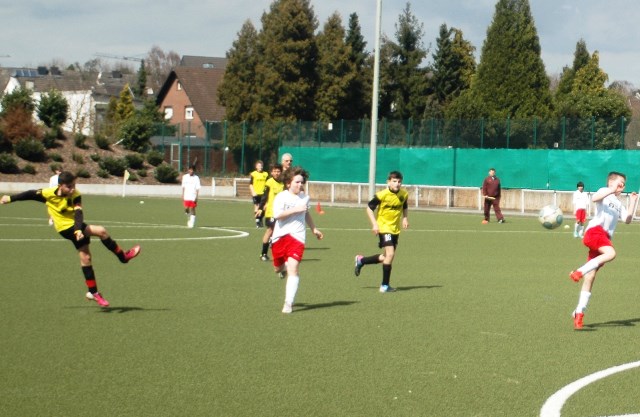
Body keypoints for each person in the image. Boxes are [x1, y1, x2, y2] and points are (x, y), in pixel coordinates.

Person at [0, 171, 141, 307]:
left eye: (74, 185)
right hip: (65, 228)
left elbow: (79, 213)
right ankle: (123, 257)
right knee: (101, 231)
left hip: (75, 226)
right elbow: (30, 194)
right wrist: (10, 198)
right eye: (69, 186)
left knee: (86, 258)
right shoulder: (48, 194)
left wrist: (78, 229)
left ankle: (93, 292)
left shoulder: (75, 195)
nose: (72, 189)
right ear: (60, 186)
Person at [568, 171, 638, 330]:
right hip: (595, 232)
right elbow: (595, 198)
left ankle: (579, 312)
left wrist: (633, 202)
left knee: (590, 277)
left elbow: (627, 220)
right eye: (620, 183)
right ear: (611, 183)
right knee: (611, 253)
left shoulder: (619, 203)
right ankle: (578, 272)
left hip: (604, 239)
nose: (622, 187)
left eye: (623, 185)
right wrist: (611, 189)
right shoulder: (604, 192)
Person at [271, 166, 323, 313]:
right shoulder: (281, 197)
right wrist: (295, 209)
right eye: (297, 182)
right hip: (280, 237)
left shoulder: (305, 198)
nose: (300, 185)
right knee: (277, 268)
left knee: (294, 268)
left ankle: (288, 302)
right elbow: (277, 215)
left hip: (297, 237)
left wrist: (314, 229)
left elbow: (306, 213)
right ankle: (283, 269)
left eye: (302, 182)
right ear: (288, 183)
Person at [354, 171, 409, 293]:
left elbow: (405, 206)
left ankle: (361, 260)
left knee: (385, 257)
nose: (397, 184)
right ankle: (384, 286)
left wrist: (405, 218)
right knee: (390, 254)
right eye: (394, 181)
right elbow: (369, 209)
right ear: (388, 182)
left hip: (395, 229)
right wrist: (374, 224)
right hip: (384, 228)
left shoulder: (404, 194)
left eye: (399, 181)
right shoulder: (381, 195)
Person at [256, 164, 284, 261]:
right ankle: (263, 253)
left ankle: (279, 251)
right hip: (271, 212)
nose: (276, 173)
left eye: (278, 171)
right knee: (270, 230)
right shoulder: (269, 182)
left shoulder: (283, 183)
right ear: (271, 172)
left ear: (281, 172)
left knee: (281, 231)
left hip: (281, 213)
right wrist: (260, 208)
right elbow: (264, 196)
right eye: (274, 171)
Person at [249, 160, 269, 228]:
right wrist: (253, 192)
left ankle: (260, 218)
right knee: (256, 207)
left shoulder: (266, 174)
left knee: (264, 208)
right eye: (259, 166)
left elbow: (268, 184)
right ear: (256, 167)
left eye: (261, 166)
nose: (260, 167)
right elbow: (251, 184)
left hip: (263, 194)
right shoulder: (253, 174)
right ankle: (257, 222)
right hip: (256, 194)